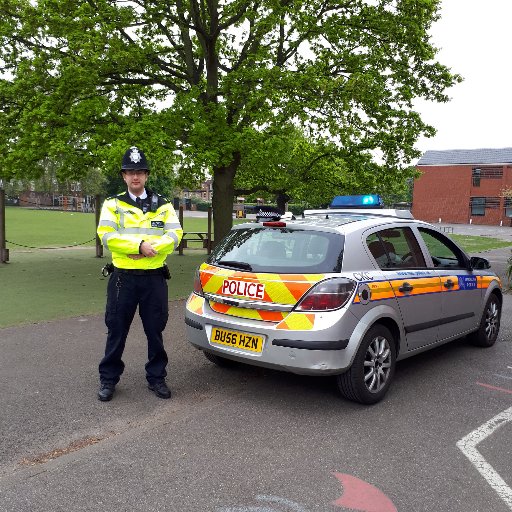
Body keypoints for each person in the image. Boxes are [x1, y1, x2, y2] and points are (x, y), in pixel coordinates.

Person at [96, 146, 183, 402]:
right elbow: (107, 236)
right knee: (116, 330)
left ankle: (157, 377)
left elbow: (175, 235)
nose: (136, 176)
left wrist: (149, 249)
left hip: (154, 278)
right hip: (124, 278)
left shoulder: (163, 205)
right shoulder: (113, 205)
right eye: (131, 172)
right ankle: (108, 379)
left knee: (155, 331)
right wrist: (137, 246)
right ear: (124, 176)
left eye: (140, 172)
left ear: (146, 175)